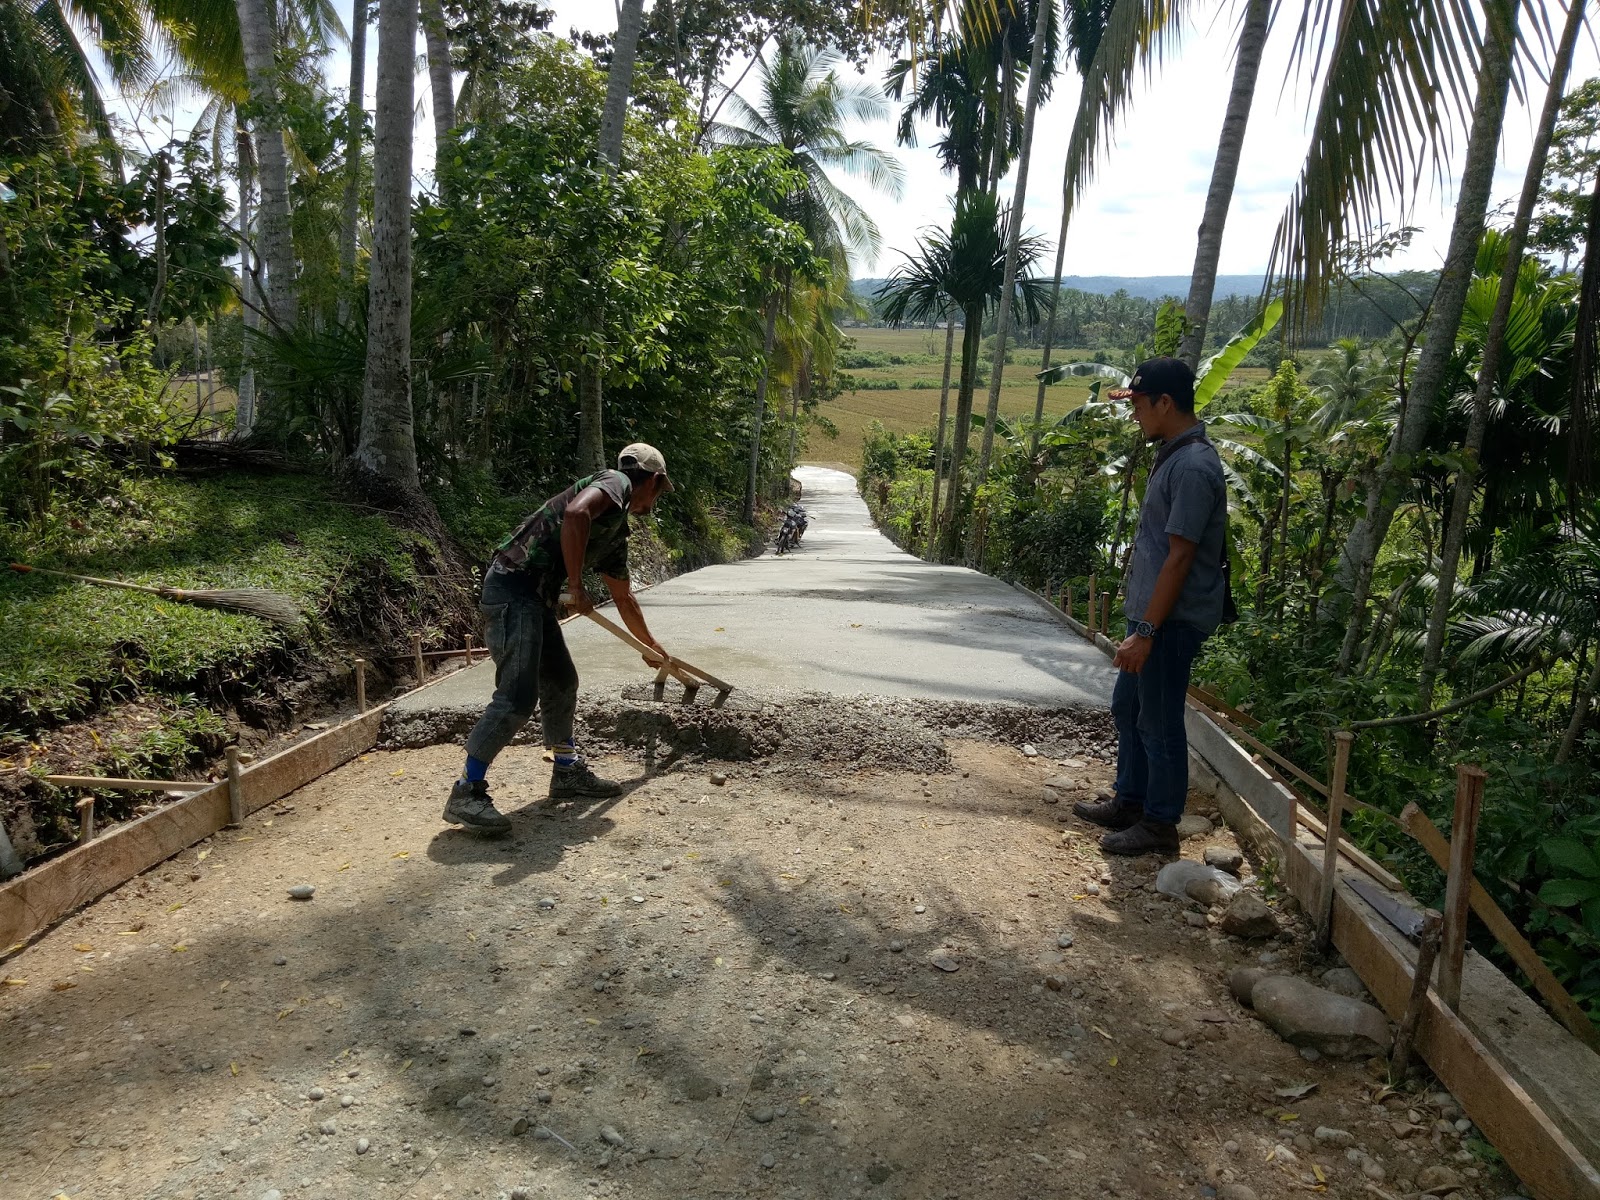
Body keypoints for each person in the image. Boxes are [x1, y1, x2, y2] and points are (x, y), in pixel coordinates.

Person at [443, 444, 674, 835]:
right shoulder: (614, 482)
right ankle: (466, 789)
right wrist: (578, 585)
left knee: (562, 681)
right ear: (653, 480)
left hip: (535, 596)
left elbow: (623, 596)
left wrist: (652, 647)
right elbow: (574, 513)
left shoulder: (615, 532)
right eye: (660, 491)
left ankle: (566, 770)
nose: (656, 500)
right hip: (514, 587)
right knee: (517, 696)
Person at [1074, 358, 1228, 856]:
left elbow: (1181, 557)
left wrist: (1145, 630)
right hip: (1151, 618)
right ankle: (1131, 799)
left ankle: (1160, 823)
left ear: (1165, 403)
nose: (1134, 413)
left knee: (1158, 720)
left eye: (1138, 404)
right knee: (1129, 707)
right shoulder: (1172, 454)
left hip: (1169, 622)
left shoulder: (1194, 466)